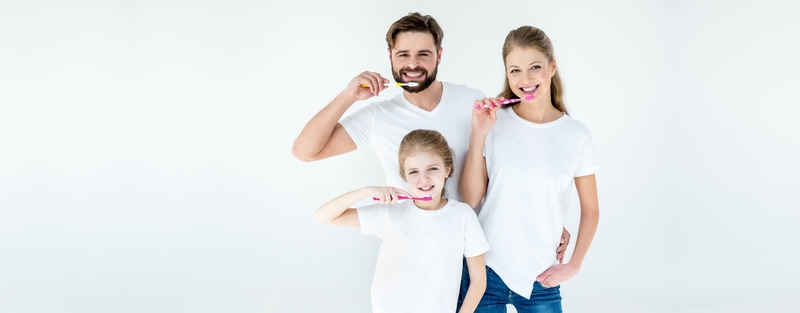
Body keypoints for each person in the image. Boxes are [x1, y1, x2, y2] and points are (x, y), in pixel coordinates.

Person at [291, 12, 572, 256]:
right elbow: (304, 152)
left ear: (439, 55)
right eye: (403, 55)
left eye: (423, 54)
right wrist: (347, 96)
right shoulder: (377, 117)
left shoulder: (470, 101)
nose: (412, 64)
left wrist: (544, 220)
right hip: (412, 253)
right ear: (390, 56)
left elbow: (508, 167)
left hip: (471, 252)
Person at [459, 26, 600, 312]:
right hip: (483, 272)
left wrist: (574, 265)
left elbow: (591, 209)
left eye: (534, 67)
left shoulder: (576, 135)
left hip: (541, 277)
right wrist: (478, 135)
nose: (525, 79)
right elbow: (471, 199)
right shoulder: (493, 122)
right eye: (515, 70)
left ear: (552, 67)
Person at [315, 129, 490, 313]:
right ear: (405, 176)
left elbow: (478, 280)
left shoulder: (462, 216)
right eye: (414, 171)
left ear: (447, 169)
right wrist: (366, 191)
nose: (424, 179)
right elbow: (324, 216)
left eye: (432, 168)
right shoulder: (391, 213)